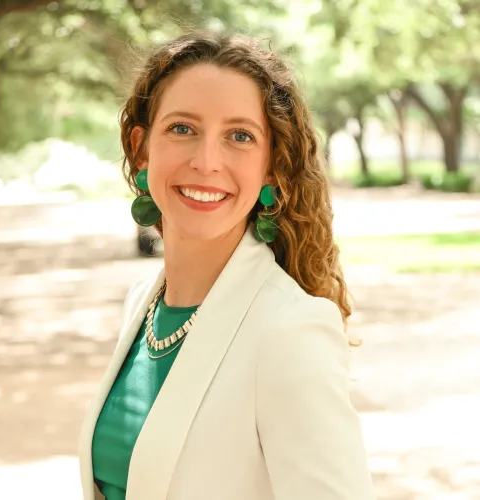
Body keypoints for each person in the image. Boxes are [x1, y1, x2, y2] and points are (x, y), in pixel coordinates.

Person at [78, 30, 375, 500]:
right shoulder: (143, 304)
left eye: (240, 136)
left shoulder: (289, 329)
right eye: (182, 128)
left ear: (272, 166)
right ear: (141, 147)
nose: (206, 161)